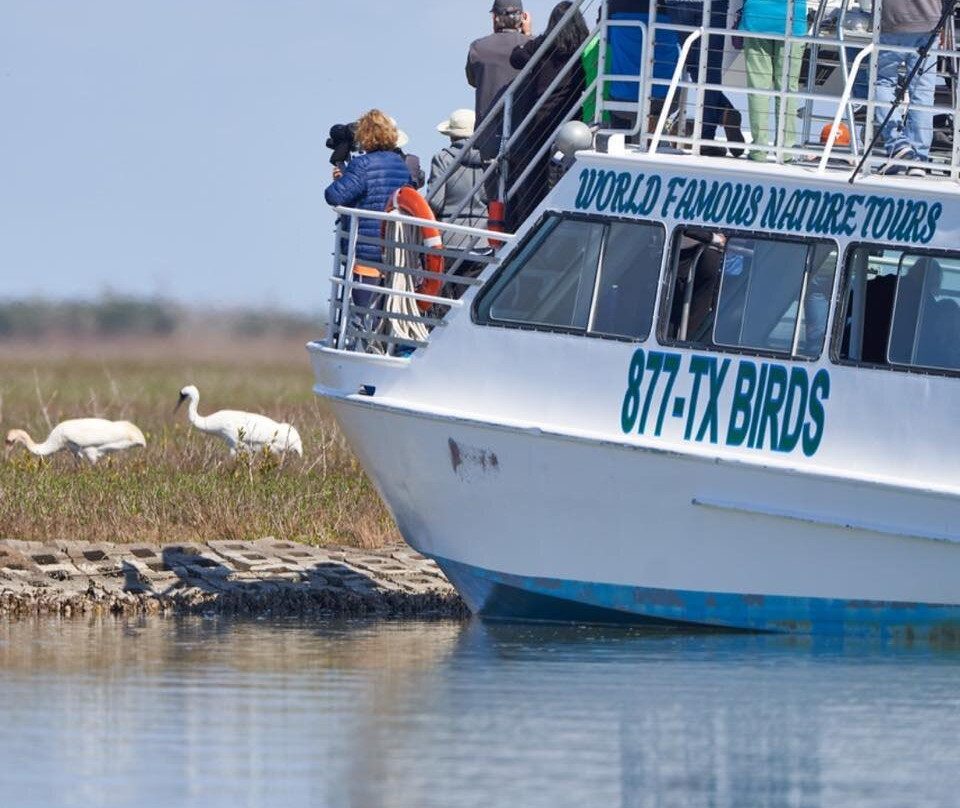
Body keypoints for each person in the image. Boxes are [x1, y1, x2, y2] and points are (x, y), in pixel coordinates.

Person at [508, 2, 588, 228]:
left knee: (534, 177)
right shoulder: (583, 47)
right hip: (570, 119)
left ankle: (530, 224)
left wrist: (528, 35)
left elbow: (516, 57)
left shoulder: (543, 45)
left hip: (539, 118)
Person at [324, 110, 413, 309]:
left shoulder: (363, 164)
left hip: (366, 250)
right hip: (393, 249)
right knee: (384, 313)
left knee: (363, 314)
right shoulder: (400, 164)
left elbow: (334, 195)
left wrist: (342, 178)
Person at [662, 0, 745, 157]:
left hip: (679, 3)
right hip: (714, 4)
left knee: (695, 66)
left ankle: (722, 115)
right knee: (710, 69)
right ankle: (708, 135)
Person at [875, 0, 942, 176]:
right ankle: (919, 157)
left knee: (881, 81)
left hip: (893, 20)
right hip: (930, 22)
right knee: (923, 91)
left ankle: (897, 144)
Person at [741, 0, 807, 162]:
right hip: (792, 20)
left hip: (756, 15)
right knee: (787, 89)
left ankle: (759, 149)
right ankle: (785, 150)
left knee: (758, 88)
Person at [466, 0, 533, 159]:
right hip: (524, 137)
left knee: (491, 182)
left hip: (487, 138)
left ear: (494, 18)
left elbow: (472, 80)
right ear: (523, 17)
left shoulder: (478, 47)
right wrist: (528, 36)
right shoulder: (533, 46)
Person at [606, 0, 679, 133]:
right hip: (662, 100)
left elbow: (605, 38)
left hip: (622, 100)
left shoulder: (615, 9)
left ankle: (620, 138)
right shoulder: (672, 12)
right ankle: (654, 130)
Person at [427, 109, 489, 249]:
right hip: (483, 241)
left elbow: (435, 202)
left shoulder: (442, 159)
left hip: (450, 240)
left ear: (451, 136)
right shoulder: (489, 160)